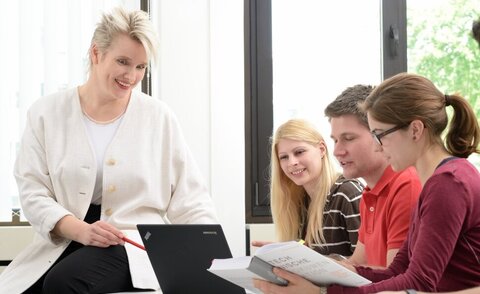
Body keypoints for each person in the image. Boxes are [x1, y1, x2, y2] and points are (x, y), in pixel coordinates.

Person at [0, 7, 218, 294]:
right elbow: (33, 191)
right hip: (68, 235)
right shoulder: (46, 113)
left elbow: (191, 198)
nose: (131, 76)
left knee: (63, 284)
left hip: (131, 242)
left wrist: (210, 255)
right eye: (123, 62)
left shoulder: (158, 117)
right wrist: (79, 229)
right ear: (96, 54)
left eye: (141, 66)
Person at [254, 72, 480, 294]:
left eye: (380, 134)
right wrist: (327, 272)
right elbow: (397, 271)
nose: (378, 146)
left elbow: (418, 283)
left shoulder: (448, 183)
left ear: (415, 130)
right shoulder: (436, 182)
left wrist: (323, 292)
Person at [324, 85, 421, 267]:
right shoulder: (369, 193)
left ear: (378, 134)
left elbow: (396, 279)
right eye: (335, 140)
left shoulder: (407, 184)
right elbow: (357, 264)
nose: (337, 151)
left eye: (349, 138)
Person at [258, 119, 364, 256]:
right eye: (284, 157)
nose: (292, 163)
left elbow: (365, 265)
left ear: (321, 150)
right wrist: (286, 252)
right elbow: (308, 248)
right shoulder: (300, 201)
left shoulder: (348, 193)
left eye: (299, 152)